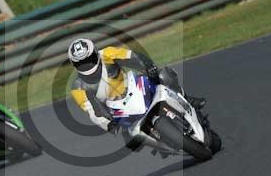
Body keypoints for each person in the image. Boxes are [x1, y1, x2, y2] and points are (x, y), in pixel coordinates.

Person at [68, 38, 205, 140]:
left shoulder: (108, 54)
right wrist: (108, 124)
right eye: (81, 63)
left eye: (89, 59)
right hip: (118, 112)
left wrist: (148, 67)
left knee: (164, 75)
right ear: (74, 64)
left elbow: (132, 56)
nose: (87, 65)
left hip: (133, 86)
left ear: (96, 53)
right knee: (131, 142)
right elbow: (93, 112)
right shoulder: (78, 86)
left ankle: (187, 99)